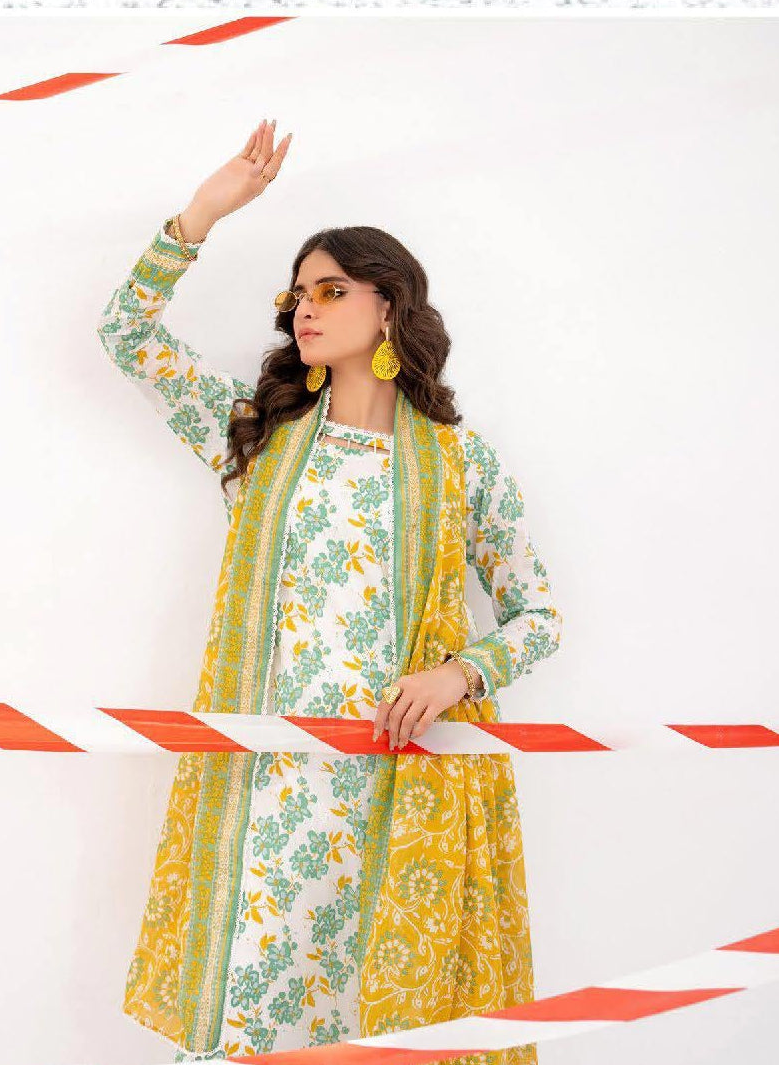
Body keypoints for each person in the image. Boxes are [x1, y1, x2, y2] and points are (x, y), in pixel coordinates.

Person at [98, 120, 563, 1065]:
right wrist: (203, 212)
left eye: (331, 290)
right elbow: (126, 334)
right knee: (256, 1014)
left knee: (389, 1022)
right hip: (270, 779)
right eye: (297, 295)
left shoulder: (459, 464)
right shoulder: (258, 441)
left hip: (406, 780)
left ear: (388, 308)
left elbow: (538, 615)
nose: (304, 309)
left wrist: (457, 674)